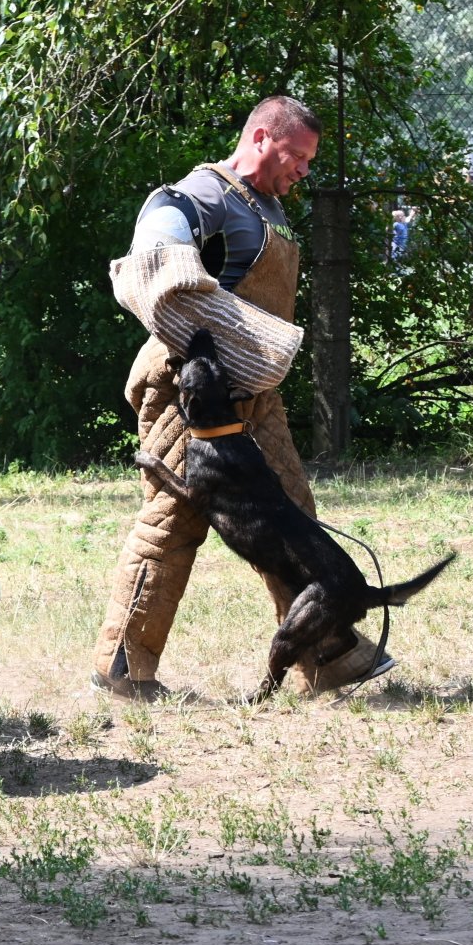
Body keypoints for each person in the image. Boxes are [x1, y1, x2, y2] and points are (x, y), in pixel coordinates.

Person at [92, 95, 391, 701]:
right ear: (260, 136)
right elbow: (161, 218)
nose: (304, 170)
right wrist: (170, 261)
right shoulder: (208, 192)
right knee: (173, 523)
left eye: (308, 161)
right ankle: (122, 671)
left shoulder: (269, 206)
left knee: (292, 517)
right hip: (190, 386)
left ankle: (325, 653)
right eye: (297, 156)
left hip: (253, 391)